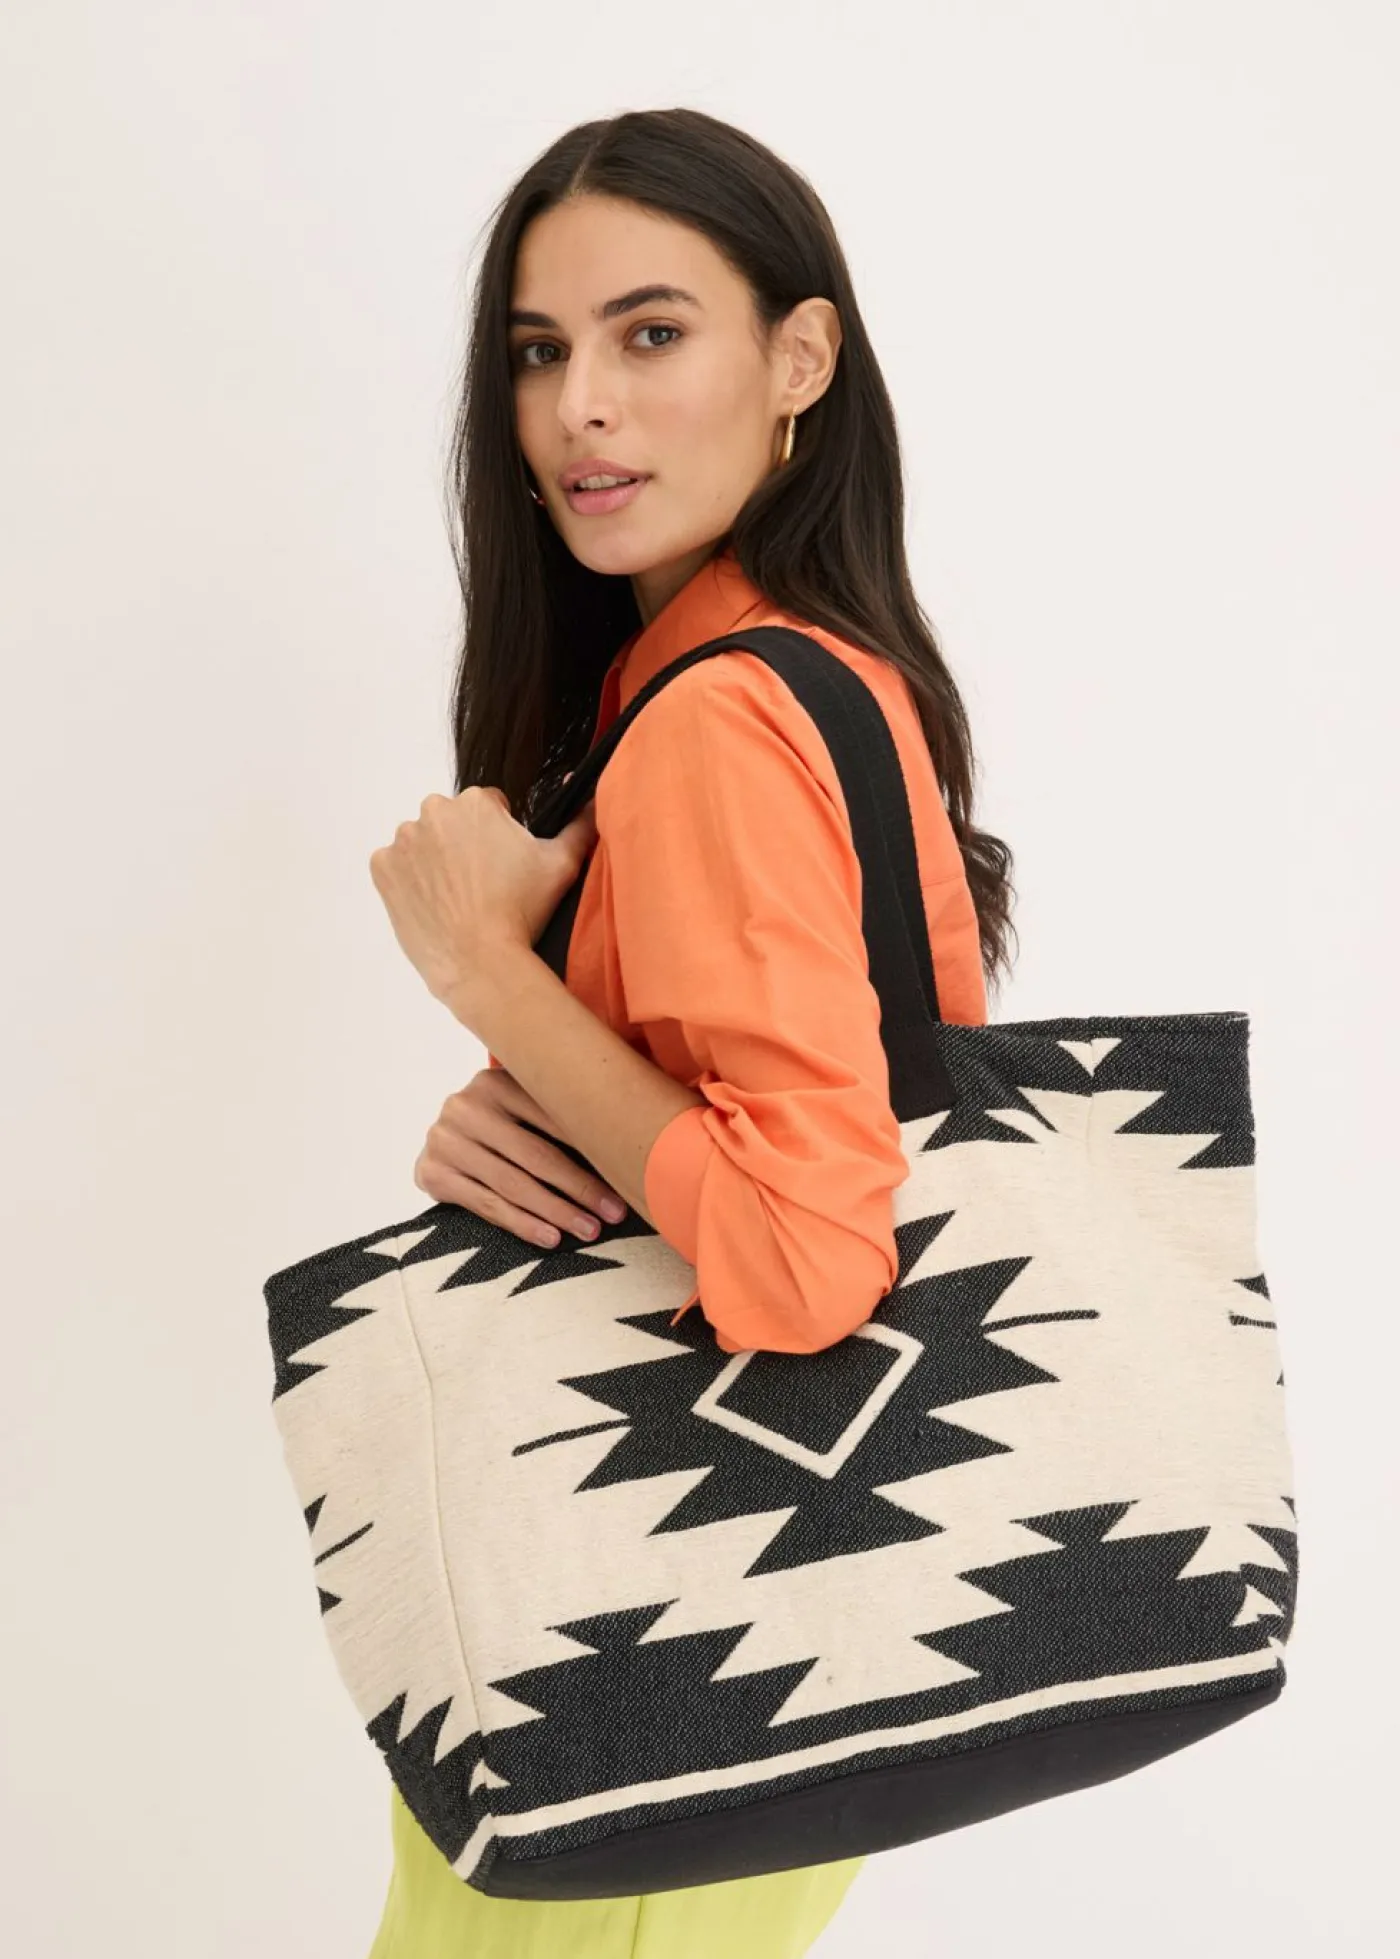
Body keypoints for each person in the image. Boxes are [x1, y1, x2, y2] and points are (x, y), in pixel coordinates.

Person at [364, 105, 1016, 1959]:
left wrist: (490, 975)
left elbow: (806, 1261)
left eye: (651, 333)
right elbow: (758, 1123)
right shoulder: (801, 671)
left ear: (801, 359)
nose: (582, 406)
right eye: (538, 351)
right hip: (757, 1619)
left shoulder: (717, 719)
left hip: (652, 1627)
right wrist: (523, 1106)